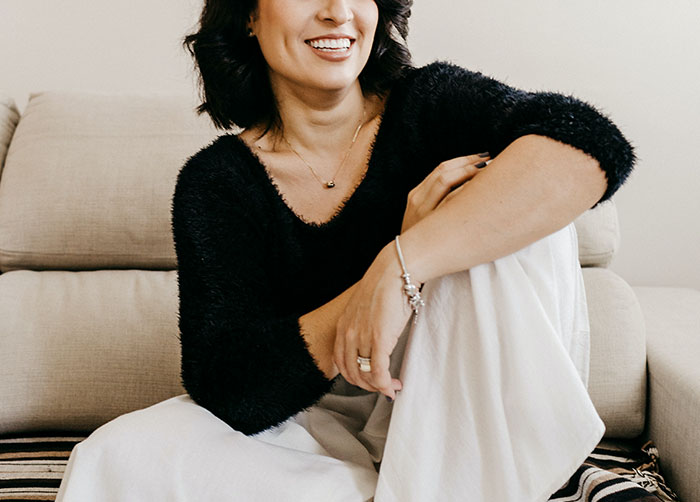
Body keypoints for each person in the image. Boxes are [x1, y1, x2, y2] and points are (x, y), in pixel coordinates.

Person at [56, 0, 635, 500]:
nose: (337, 11)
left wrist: (407, 259)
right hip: (333, 422)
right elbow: (228, 385)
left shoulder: (432, 103)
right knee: (118, 455)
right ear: (249, 14)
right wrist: (370, 295)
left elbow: (592, 145)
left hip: (471, 396)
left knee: (501, 203)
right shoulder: (218, 182)